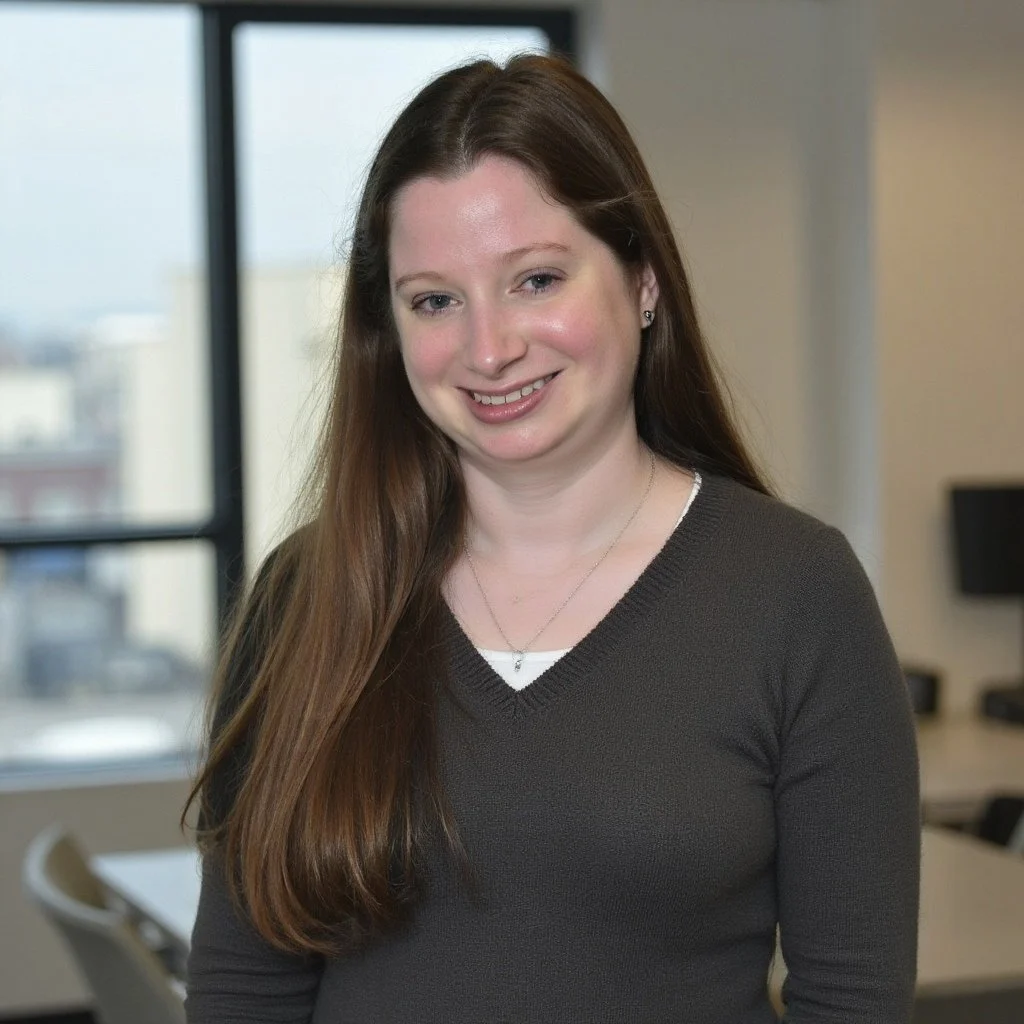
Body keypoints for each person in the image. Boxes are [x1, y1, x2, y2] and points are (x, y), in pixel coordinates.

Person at [183, 53, 919, 1023]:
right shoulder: (309, 595)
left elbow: (852, 1000)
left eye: (534, 279)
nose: (488, 348)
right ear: (388, 329)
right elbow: (245, 990)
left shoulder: (792, 591)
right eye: (434, 300)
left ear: (642, 280)